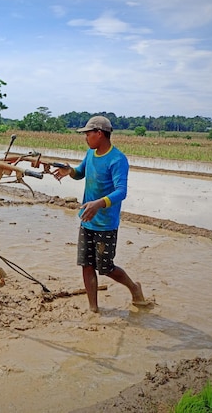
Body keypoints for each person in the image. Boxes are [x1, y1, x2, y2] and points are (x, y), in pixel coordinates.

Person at [52, 116, 151, 312]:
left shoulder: (117, 159)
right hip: (87, 219)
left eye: (88, 134)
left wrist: (99, 203)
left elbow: (121, 191)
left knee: (105, 268)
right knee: (86, 265)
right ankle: (93, 309)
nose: (85, 138)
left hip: (105, 223)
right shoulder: (90, 154)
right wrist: (69, 171)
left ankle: (134, 288)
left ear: (99, 133)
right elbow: (80, 173)